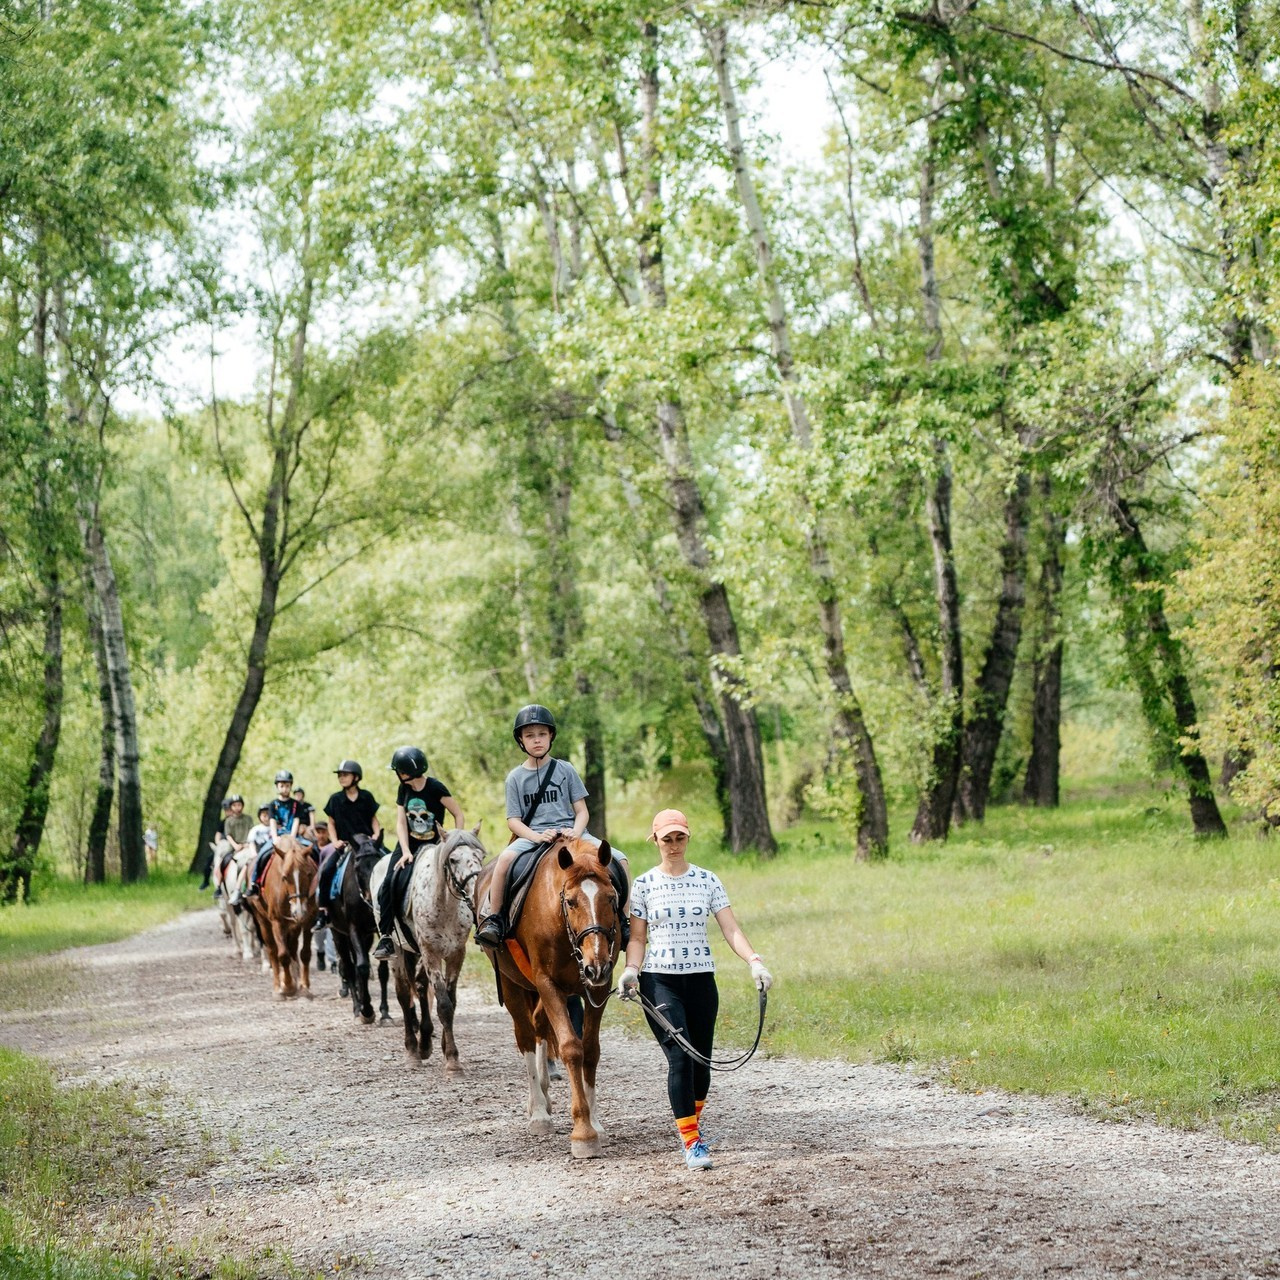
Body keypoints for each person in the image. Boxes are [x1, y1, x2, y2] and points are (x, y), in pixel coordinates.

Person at [617, 808, 773, 1172]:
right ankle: (692, 1143)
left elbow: (730, 929)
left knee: (703, 1064)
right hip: (659, 981)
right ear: (655, 840)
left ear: (688, 838)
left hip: (702, 979)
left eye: (679, 838)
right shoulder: (643, 884)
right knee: (680, 1058)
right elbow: (637, 937)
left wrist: (755, 961)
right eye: (666, 839)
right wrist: (630, 970)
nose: (673, 845)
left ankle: (692, 1126)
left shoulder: (708, 880)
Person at [475, 704, 625, 947]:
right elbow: (513, 821)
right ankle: (495, 920)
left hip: (573, 834)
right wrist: (535, 836)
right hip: (534, 836)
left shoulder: (565, 770)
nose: (537, 741)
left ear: (551, 736)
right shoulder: (515, 777)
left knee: (621, 859)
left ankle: (624, 921)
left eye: (542, 734)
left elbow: (582, 810)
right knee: (503, 862)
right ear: (521, 740)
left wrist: (576, 831)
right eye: (530, 736)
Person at [372, 746, 466, 960]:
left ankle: (474, 923)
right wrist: (405, 851)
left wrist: (453, 839)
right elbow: (401, 822)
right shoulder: (403, 789)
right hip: (409, 845)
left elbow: (458, 813)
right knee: (389, 882)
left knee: (461, 876)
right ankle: (386, 935)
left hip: (435, 845)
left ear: (404, 772)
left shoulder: (435, 788)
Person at [317, 760, 382, 910]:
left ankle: (394, 908)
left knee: (391, 864)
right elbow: (331, 824)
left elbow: (374, 820)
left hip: (368, 844)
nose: (341, 778)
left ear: (356, 777)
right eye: (340, 775)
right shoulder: (335, 799)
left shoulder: (366, 796)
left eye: (345, 775)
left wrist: (377, 835)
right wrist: (334, 841)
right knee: (326, 870)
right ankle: (323, 911)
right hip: (346, 845)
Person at [242, 803, 277, 898]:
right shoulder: (255, 829)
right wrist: (254, 854)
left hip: (272, 852)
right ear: (259, 817)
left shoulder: (275, 828)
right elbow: (251, 842)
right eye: (264, 815)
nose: (266, 818)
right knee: (248, 866)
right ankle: (246, 886)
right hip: (259, 852)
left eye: (268, 815)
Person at [268, 770, 304, 842]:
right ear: (277, 786)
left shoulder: (296, 804)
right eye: (282, 786)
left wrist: (292, 837)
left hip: (293, 836)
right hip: (278, 836)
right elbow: (272, 821)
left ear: (291, 786)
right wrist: (275, 838)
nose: (285, 789)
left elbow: (296, 820)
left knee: (312, 849)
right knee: (263, 852)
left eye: (287, 786)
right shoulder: (272, 804)